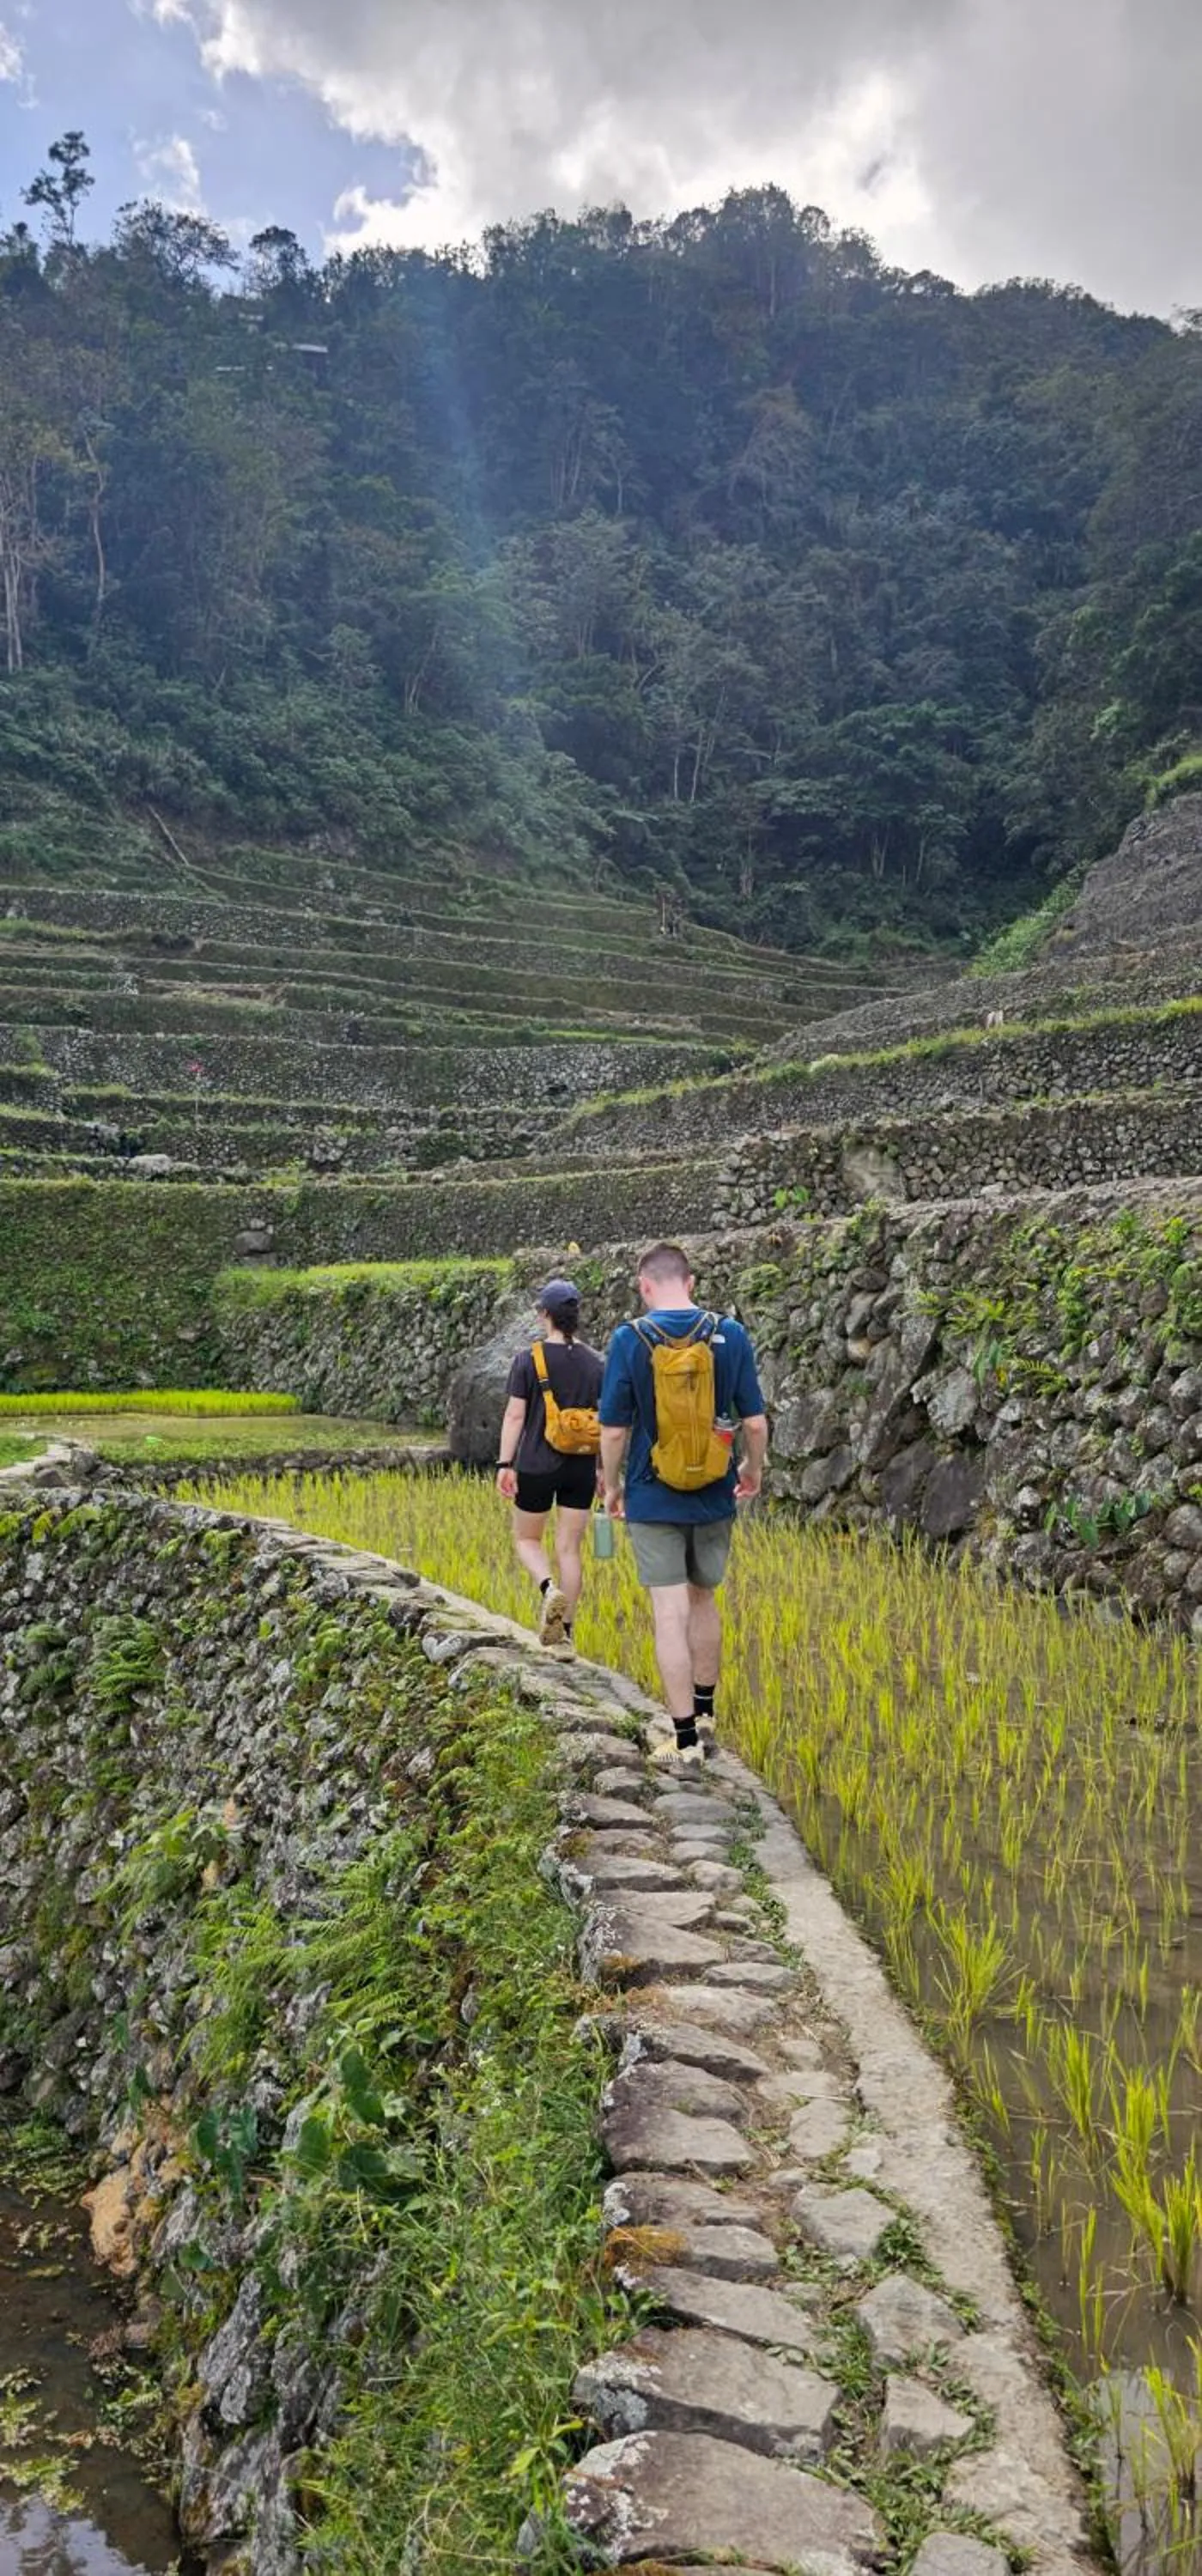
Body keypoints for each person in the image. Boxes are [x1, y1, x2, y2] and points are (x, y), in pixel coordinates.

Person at [598, 1242, 768, 1768]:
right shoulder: (729, 1333)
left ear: (644, 1286)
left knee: (668, 1611)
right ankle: (706, 1712)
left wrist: (612, 1484)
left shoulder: (630, 1338)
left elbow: (613, 1430)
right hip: (715, 1491)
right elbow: (755, 1422)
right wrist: (752, 1469)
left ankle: (685, 1740)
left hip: (653, 1494)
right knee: (704, 1599)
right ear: (690, 1282)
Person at [495, 1278, 604, 1654]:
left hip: (536, 1464)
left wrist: (505, 1463)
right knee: (569, 1549)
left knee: (527, 1539)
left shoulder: (529, 1359)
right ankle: (566, 1634)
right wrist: (604, 1470)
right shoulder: (595, 1363)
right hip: (581, 1466)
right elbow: (606, 1422)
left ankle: (548, 1588)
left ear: (545, 1314)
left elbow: (515, 1416)